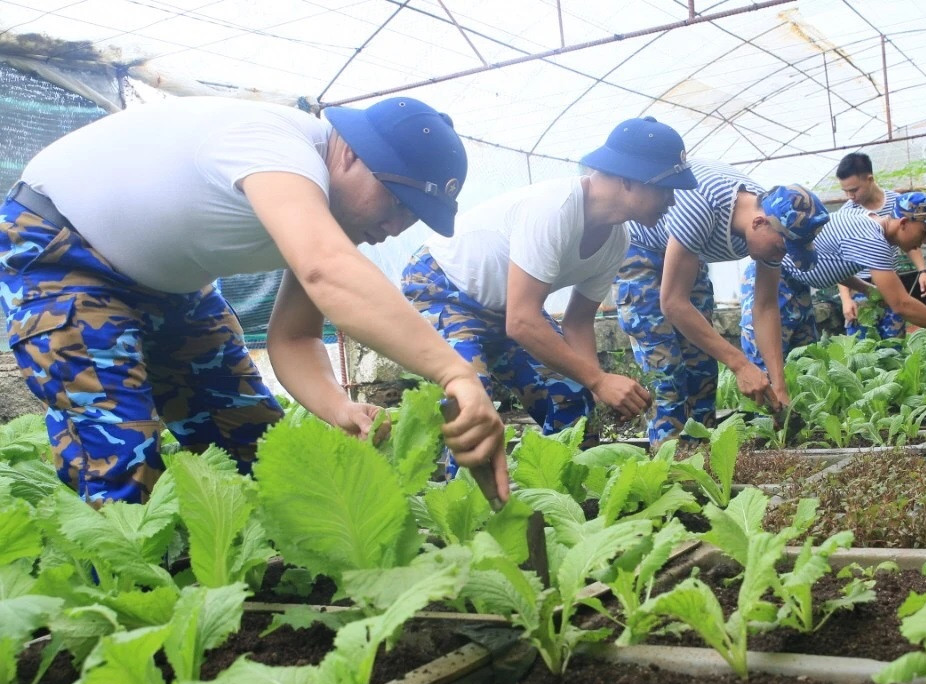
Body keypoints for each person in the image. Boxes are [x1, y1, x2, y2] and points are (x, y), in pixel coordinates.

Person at [0, 95, 507, 505]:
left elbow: (295, 335)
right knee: (118, 455)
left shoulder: (337, 214)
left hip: (173, 285)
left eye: (413, 215)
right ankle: (113, 618)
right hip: (63, 252)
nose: (394, 227)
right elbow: (324, 269)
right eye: (397, 202)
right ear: (352, 155)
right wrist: (456, 373)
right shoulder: (276, 146)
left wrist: (338, 406)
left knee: (254, 449)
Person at [400, 117, 695, 437]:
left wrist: (595, 388)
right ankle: (454, 485)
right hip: (441, 286)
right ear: (629, 180)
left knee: (573, 401)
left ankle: (564, 485)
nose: (672, 201)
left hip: (507, 305)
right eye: (666, 189)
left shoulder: (616, 241)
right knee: (471, 405)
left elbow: (577, 323)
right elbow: (522, 321)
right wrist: (599, 379)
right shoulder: (556, 209)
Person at [614, 163, 828, 447]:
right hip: (640, 252)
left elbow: (765, 306)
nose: (781, 256)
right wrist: (741, 365)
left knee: (702, 371)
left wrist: (779, 384)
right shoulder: (703, 204)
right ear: (759, 223)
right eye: (781, 249)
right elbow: (673, 303)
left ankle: (702, 463)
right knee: (668, 375)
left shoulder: (773, 220)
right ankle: (670, 469)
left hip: (689, 252)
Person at [740, 194, 926, 369]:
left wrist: (865, 288)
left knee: (802, 361)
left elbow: (833, 262)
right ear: (904, 223)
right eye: (925, 231)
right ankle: (760, 437)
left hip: (798, 285)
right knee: (767, 360)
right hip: (774, 278)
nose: (925, 241)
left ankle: (787, 434)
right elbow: (902, 305)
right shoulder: (871, 238)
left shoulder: (870, 224)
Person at [837, 152, 926, 339]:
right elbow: (838, 261)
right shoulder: (846, 214)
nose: (850, 196)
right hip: (860, 286)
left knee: (894, 344)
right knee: (861, 346)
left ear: (869, 179)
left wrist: (922, 270)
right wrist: (846, 298)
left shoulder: (898, 202)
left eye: (854, 189)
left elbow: (910, 238)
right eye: (846, 191)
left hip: (891, 282)